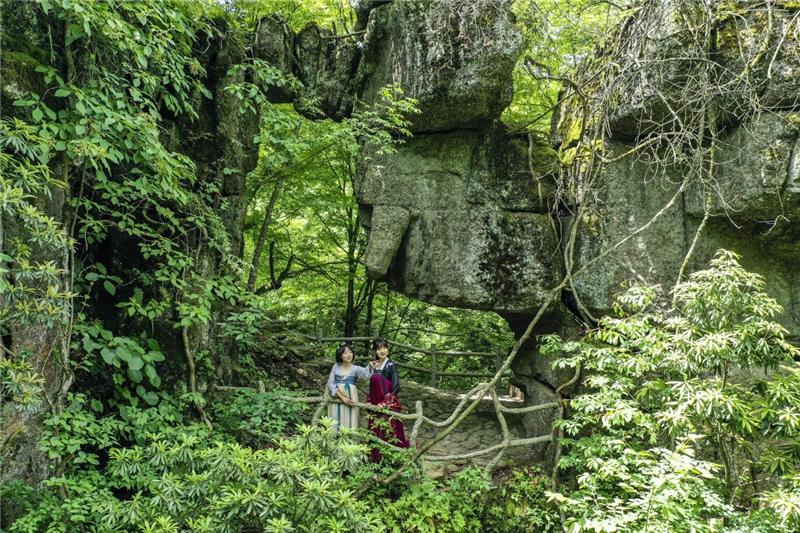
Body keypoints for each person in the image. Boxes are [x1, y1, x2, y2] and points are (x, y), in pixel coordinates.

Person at [365, 373, 409, 462]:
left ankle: (388, 459)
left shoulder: (387, 388)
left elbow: (395, 403)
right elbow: (370, 397)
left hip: (386, 420)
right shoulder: (373, 390)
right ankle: (376, 459)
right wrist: (369, 402)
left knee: (386, 437)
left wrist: (384, 403)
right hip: (375, 418)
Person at [326, 342, 371, 430]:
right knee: (336, 419)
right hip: (337, 399)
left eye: (350, 352)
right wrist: (342, 397)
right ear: (340, 355)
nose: (349, 355)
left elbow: (365, 373)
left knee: (351, 421)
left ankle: (350, 442)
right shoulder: (336, 367)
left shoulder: (355, 368)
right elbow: (330, 382)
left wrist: (370, 366)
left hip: (351, 400)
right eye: (345, 353)